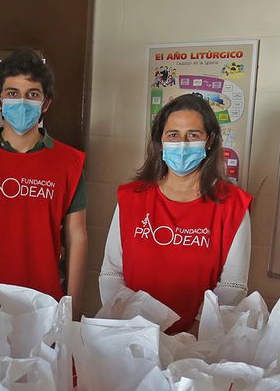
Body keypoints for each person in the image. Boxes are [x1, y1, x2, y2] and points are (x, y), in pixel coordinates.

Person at [0, 49, 87, 309]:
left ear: (45, 103)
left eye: (32, 94)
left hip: (43, 303)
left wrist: (72, 311)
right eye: (12, 93)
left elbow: (77, 239)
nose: (22, 102)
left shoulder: (70, 163)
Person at [100, 92, 253, 332]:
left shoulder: (233, 205)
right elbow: (111, 272)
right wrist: (131, 328)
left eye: (193, 135)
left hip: (198, 341)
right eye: (173, 134)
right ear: (160, 141)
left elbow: (232, 285)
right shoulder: (131, 198)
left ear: (209, 140)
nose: (182, 143)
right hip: (132, 335)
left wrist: (193, 334)